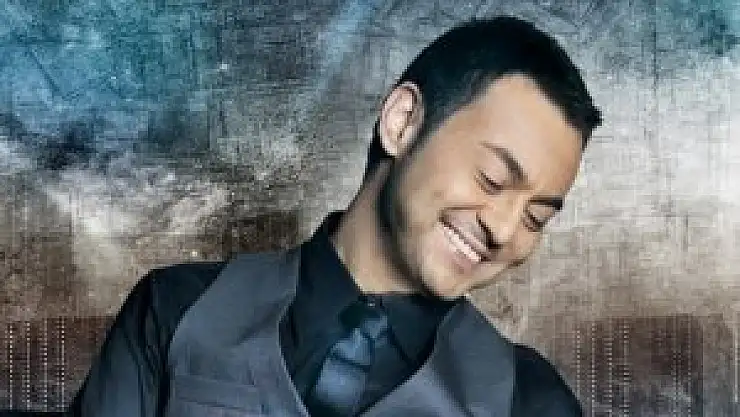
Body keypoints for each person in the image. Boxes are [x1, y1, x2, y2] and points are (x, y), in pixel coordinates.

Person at [69, 16, 602, 417]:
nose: (504, 230)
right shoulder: (174, 311)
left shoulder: (528, 400)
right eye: (492, 179)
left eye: (536, 217)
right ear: (403, 122)